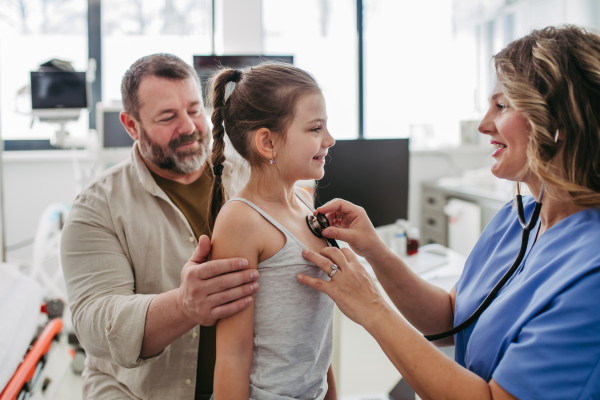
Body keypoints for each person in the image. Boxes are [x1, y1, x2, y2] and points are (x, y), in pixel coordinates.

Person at [297, 25, 600, 400]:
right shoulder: (517, 218)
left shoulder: (591, 275)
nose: (483, 124)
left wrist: (373, 308)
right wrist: (375, 250)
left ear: (558, 123)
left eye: (501, 106)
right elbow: (451, 316)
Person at [61, 54, 258, 400]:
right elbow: (94, 322)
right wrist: (183, 306)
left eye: (194, 109)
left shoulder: (250, 180)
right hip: (135, 393)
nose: (189, 126)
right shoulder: (96, 208)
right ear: (131, 125)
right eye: (167, 117)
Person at [207, 63, 337, 399]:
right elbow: (232, 355)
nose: (329, 139)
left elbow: (318, 335)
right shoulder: (241, 221)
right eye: (315, 129)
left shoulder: (306, 203)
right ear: (267, 142)